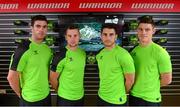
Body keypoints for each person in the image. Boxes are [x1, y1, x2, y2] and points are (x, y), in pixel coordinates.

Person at [7, 15, 52, 106]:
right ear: (31, 28)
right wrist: (20, 94)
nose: (41, 29)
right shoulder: (23, 49)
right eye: (38, 26)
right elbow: (11, 77)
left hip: (46, 95)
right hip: (30, 99)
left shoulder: (47, 49)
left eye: (44, 27)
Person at [129, 17, 172, 106]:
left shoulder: (160, 52)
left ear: (153, 31)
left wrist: (150, 86)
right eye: (140, 29)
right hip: (133, 96)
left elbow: (167, 80)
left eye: (147, 29)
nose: (143, 32)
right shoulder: (134, 51)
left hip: (150, 100)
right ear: (137, 30)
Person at [96, 23, 135, 106]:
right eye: (105, 34)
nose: (108, 38)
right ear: (101, 36)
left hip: (116, 101)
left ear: (116, 36)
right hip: (101, 96)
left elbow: (130, 80)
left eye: (111, 35)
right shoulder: (100, 54)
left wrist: (120, 93)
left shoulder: (123, 55)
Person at [49, 25, 86, 106]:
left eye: (75, 35)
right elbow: (52, 78)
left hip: (80, 96)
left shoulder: (83, 53)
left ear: (79, 36)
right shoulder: (60, 56)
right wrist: (60, 91)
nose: (72, 39)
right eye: (69, 36)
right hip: (65, 99)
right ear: (66, 37)